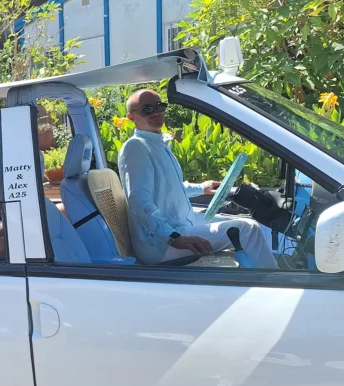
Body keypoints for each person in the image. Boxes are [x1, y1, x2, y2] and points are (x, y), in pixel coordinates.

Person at [117, 89, 278, 268]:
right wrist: (173, 238)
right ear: (131, 117)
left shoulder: (159, 143)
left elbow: (172, 188)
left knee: (250, 223)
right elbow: (139, 202)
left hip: (183, 221)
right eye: (147, 109)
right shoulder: (136, 147)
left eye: (160, 106)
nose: (156, 112)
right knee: (249, 230)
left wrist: (202, 188)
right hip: (160, 243)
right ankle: (278, 287)